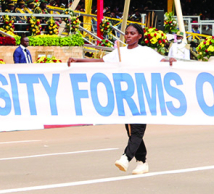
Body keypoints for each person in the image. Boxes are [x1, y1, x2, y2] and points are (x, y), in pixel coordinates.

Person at [67, 23, 172, 175]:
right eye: (127, 33)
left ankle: (126, 157)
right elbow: (101, 62)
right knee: (131, 131)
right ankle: (142, 162)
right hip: (124, 96)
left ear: (139, 36)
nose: (128, 36)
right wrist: (78, 60)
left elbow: (163, 63)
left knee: (137, 130)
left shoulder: (146, 52)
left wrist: (171, 62)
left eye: (132, 33)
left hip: (142, 96)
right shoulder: (119, 52)